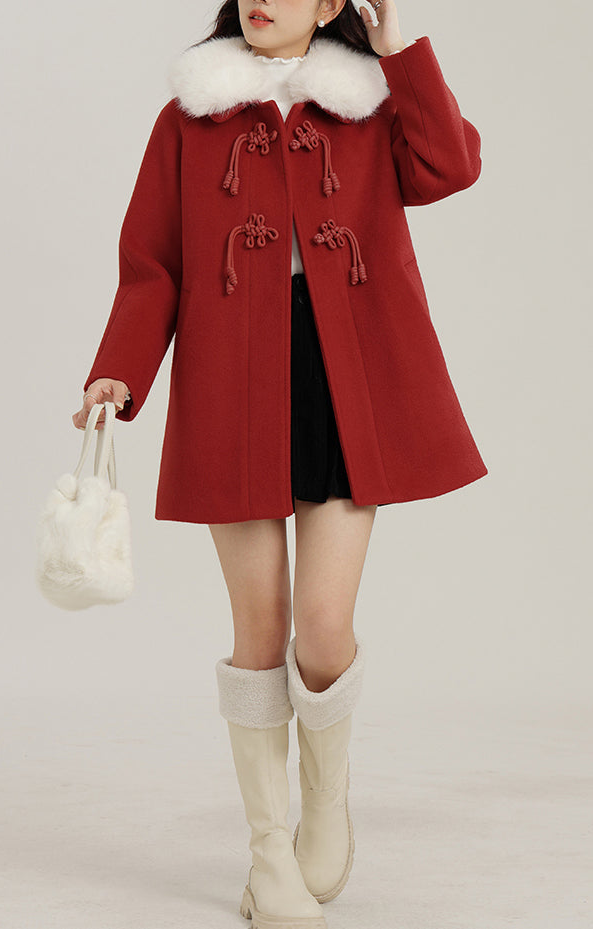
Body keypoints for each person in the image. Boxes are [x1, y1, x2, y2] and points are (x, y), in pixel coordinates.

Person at [72, 2, 487, 926]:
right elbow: (152, 261)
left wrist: (397, 50)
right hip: (233, 374)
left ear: (332, 4)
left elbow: (449, 166)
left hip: (348, 371)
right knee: (257, 631)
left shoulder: (369, 103)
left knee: (322, 629)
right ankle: (267, 852)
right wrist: (119, 369)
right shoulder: (191, 114)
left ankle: (325, 800)